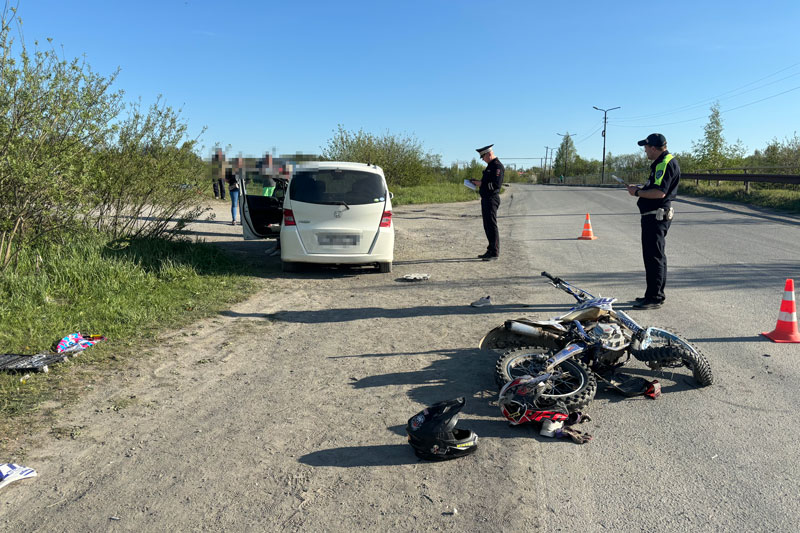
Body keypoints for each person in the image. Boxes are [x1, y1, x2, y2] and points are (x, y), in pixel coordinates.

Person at [626, 133, 680, 309]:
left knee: (654, 257)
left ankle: (655, 297)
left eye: (646, 147)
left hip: (656, 216)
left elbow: (659, 192)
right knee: (654, 256)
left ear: (654, 148)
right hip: (654, 215)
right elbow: (655, 187)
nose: (645, 151)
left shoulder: (664, 163)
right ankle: (652, 294)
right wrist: (641, 189)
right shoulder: (661, 162)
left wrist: (637, 192)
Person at [471, 144, 504, 260]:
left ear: (489, 154)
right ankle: (490, 249)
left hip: (491, 199)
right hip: (486, 199)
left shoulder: (497, 166)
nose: (483, 159)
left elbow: (495, 185)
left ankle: (494, 252)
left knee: (491, 225)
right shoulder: (490, 166)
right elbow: (487, 181)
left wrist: (480, 184)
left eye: (483, 157)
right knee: (487, 226)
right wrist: (478, 182)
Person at [226, 157, 243, 225]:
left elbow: (248, 180)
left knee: (242, 205)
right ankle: (234, 219)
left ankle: (242, 220)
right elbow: (226, 179)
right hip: (233, 189)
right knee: (234, 204)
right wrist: (233, 183)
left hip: (242, 189)